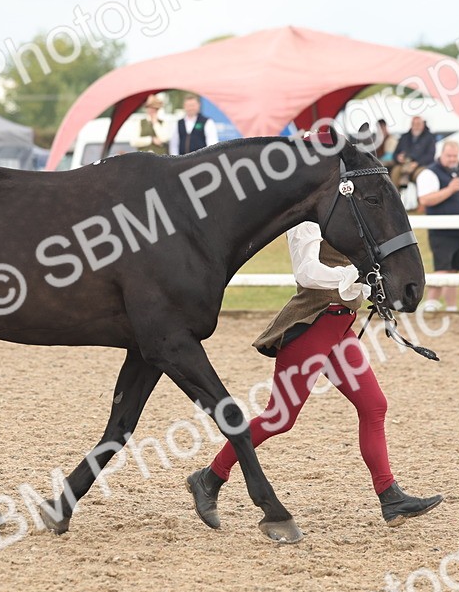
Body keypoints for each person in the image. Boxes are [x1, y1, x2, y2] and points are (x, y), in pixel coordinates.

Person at [185, 221, 444, 530]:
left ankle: (390, 496)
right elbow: (307, 273)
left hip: (340, 329)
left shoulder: (339, 214)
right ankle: (210, 477)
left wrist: (370, 285)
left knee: (374, 405)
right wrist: (353, 276)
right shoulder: (305, 222)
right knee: (279, 417)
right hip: (312, 327)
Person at [415, 140, 459, 312]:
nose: (452, 159)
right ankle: (430, 305)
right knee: (442, 269)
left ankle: (452, 307)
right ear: (441, 154)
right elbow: (425, 199)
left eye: (455, 156)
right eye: (449, 156)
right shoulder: (430, 173)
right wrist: (450, 190)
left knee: (454, 271)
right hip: (442, 231)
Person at [390, 117, 435, 187]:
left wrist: (417, 163)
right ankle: (394, 195)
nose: (416, 126)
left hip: (421, 165)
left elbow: (430, 156)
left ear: (423, 125)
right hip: (404, 164)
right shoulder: (404, 137)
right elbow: (395, 154)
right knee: (395, 171)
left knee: (421, 176)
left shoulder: (430, 138)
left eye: (418, 124)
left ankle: (420, 197)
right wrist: (398, 158)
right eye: (414, 124)